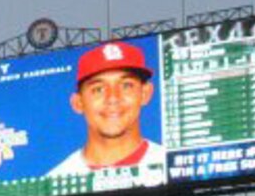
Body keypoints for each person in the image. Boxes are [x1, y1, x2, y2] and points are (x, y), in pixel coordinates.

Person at [46, 40, 166, 184]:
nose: (113, 98)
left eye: (126, 85)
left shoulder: (171, 165)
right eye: (98, 89)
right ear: (78, 103)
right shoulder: (57, 181)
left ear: (145, 93)